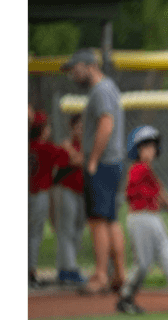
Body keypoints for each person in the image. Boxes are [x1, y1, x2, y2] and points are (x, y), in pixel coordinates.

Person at [61, 48, 127, 295]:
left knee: (98, 220)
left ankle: (101, 275)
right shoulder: (107, 88)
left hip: (103, 164)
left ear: (89, 66)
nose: (73, 75)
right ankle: (119, 275)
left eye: (75, 69)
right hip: (111, 163)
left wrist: (93, 160)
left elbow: (106, 124)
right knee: (109, 219)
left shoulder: (100, 91)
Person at [116, 125, 168, 315]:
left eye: (152, 146)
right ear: (137, 149)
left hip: (153, 218)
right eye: (145, 146)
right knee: (143, 264)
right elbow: (160, 195)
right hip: (140, 219)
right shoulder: (138, 170)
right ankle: (125, 297)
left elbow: (158, 196)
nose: (150, 150)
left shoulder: (147, 171)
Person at [28, 110, 66, 288]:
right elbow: (67, 159)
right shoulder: (46, 148)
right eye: (46, 127)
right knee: (34, 234)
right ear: (42, 130)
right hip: (39, 195)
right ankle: (31, 273)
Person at [53, 113, 88, 286]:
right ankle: (70, 269)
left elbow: (83, 161)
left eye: (84, 127)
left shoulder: (86, 145)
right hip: (66, 190)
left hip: (83, 192)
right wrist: (76, 154)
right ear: (72, 127)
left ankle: (64, 269)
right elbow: (78, 161)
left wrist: (75, 154)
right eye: (78, 127)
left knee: (78, 229)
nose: (81, 130)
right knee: (65, 230)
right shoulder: (65, 144)